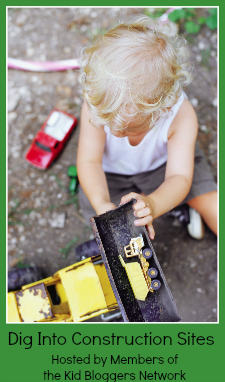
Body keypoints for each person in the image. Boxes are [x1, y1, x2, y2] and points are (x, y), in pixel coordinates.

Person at [77, 15, 217, 240]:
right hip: (111, 173)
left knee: (211, 203)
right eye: (106, 123)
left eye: (128, 129)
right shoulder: (97, 104)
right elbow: (89, 161)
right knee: (111, 223)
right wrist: (102, 202)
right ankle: (170, 204)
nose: (113, 132)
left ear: (163, 108)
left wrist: (153, 204)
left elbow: (180, 176)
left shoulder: (181, 116)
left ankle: (167, 201)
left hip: (164, 166)